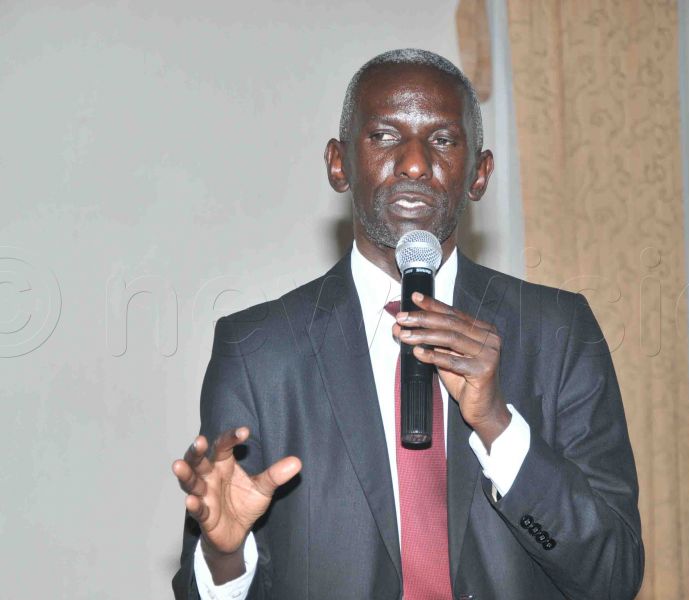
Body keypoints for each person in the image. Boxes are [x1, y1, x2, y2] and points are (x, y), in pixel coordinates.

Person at [171, 48, 644, 600]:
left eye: (442, 139)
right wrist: (224, 556)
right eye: (384, 136)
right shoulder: (258, 352)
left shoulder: (559, 333)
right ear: (338, 164)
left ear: (479, 174)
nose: (415, 164)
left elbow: (614, 576)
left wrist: (497, 425)